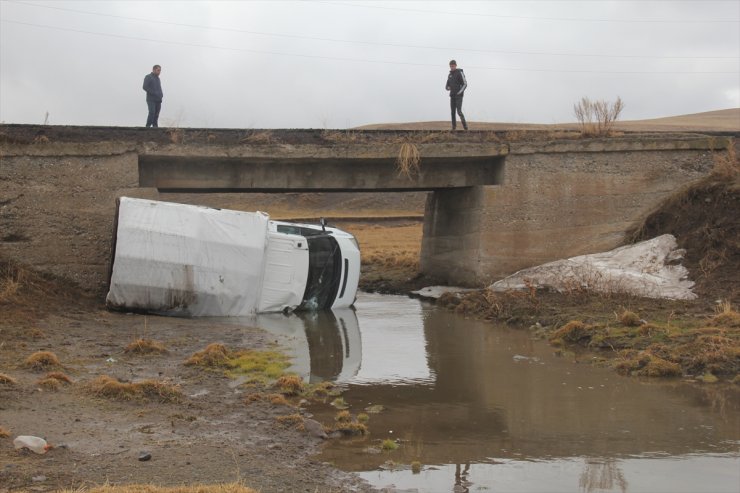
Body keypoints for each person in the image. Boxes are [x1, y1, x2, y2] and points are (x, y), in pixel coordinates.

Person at [445, 59, 468, 130]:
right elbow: (446, 86)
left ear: (456, 65)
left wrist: (459, 92)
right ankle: (454, 128)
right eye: (451, 66)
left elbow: (465, 84)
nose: (452, 67)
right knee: (452, 112)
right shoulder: (449, 75)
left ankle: (465, 127)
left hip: (459, 96)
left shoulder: (459, 72)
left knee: (459, 111)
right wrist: (448, 87)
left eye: (453, 66)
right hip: (452, 96)